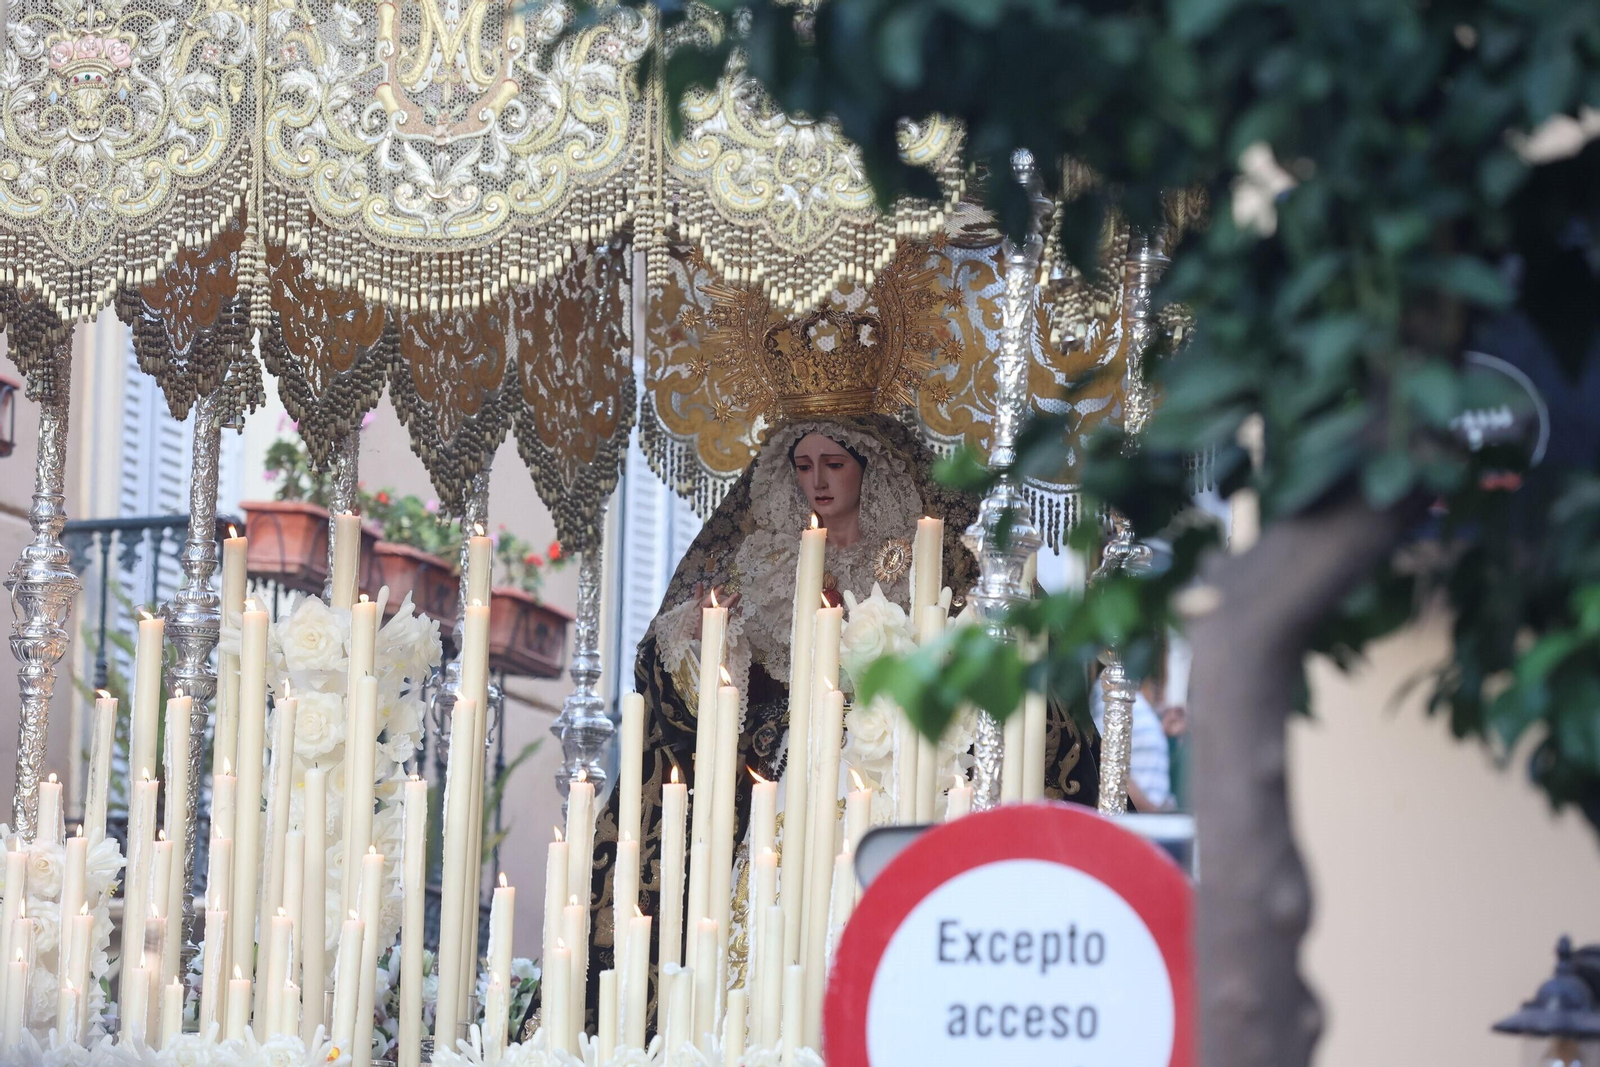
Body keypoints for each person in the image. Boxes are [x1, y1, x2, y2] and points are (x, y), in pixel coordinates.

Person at [569, 415, 1100, 1030]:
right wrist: (705, 633)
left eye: (834, 464)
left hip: (893, 758)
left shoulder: (920, 554)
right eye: (803, 465)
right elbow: (722, 685)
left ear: (865, 467)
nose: (817, 481)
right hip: (798, 762)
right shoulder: (767, 560)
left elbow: (970, 645)